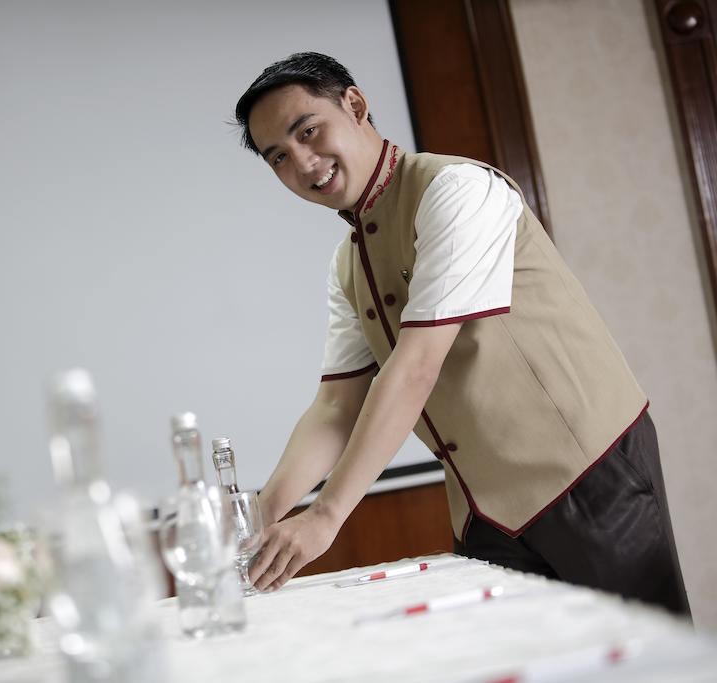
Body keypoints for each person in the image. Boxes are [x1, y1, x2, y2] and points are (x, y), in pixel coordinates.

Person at [233, 52, 690, 615]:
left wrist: (326, 515)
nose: (303, 163)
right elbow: (334, 407)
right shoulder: (346, 264)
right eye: (279, 156)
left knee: (648, 653)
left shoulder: (458, 190)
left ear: (354, 105)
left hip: (588, 476)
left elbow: (417, 365)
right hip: (486, 512)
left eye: (308, 131)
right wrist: (254, 522)